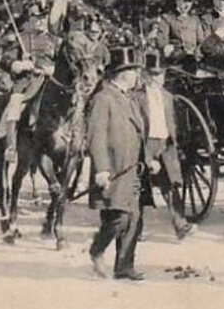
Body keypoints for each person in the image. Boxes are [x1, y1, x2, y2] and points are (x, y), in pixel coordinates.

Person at [87, 47, 154, 281]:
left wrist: (149, 160)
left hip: (133, 170)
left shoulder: (130, 98)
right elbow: (96, 136)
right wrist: (101, 169)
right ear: (122, 73)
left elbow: (139, 133)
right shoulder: (103, 98)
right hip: (114, 170)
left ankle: (124, 266)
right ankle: (97, 250)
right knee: (118, 217)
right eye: (134, 71)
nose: (137, 75)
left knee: (134, 218)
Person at [132, 52, 195, 240]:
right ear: (145, 74)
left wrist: (174, 142)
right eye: (152, 74)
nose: (157, 78)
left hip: (164, 143)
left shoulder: (168, 96)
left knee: (171, 185)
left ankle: (180, 225)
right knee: (141, 186)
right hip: (146, 143)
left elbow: (172, 121)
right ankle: (136, 229)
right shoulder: (136, 96)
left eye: (160, 74)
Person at [0, 3, 60, 163]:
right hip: (26, 84)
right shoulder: (22, 38)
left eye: (42, 18)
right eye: (35, 18)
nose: (39, 21)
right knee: (13, 107)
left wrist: (53, 69)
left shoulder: (55, 40)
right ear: (30, 19)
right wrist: (17, 64)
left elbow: (65, 62)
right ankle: (10, 147)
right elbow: (5, 59)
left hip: (49, 83)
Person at [156, 0, 205, 64]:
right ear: (177, 0)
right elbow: (162, 43)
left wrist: (198, 52)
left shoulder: (195, 20)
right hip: (176, 61)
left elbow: (201, 41)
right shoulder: (168, 19)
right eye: (185, 0)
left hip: (195, 60)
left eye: (190, 1)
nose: (187, 5)